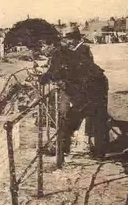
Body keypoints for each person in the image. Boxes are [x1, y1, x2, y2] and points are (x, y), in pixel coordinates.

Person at [40, 28, 109, 159]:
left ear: (52, 45)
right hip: (97, 84)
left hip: (91, 88)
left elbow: (52, 73)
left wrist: (42, 79)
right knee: (97, 118)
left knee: (73, 119)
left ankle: (61, 149)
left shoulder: (59, 54)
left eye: (44, 46)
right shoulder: (65, 52)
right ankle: (99, 153)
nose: (43, 49)